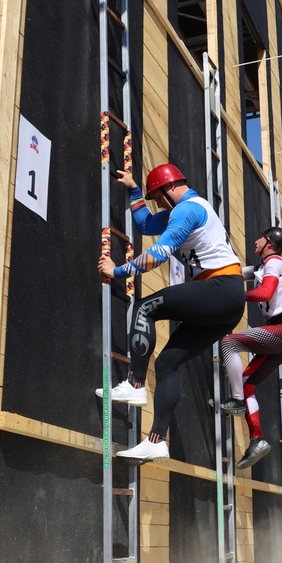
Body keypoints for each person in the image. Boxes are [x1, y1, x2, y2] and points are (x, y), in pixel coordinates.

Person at [96, 163, 245, 464]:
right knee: (167, 363)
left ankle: (136, 384)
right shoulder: (182, 209)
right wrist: (135, 191)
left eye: (159, 198)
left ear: (170, 187)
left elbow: (159, 253)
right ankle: (156, 441)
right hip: (227, 303)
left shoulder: (188, 209)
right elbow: (146, 225)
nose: (159, 205)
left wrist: (118, 271)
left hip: (221, 287)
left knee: (145, 306)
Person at [218, 227, 282, 470]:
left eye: (260, 237)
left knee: (229, 342)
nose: (254, 240)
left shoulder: (274, 261)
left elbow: (265, 291)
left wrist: (238, 297)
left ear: (269, 243)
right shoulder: (263, 267)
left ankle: (235, 401)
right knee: (247, 385)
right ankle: (257, 440)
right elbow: (234, 273)